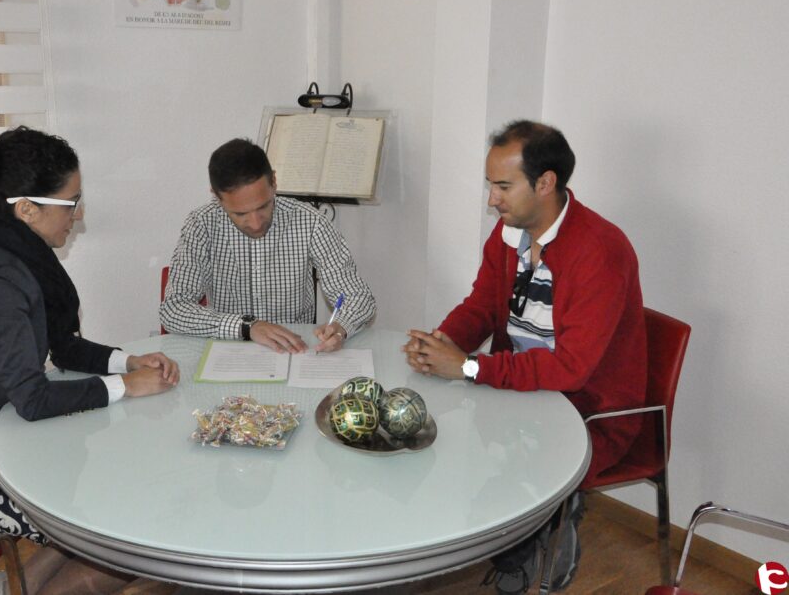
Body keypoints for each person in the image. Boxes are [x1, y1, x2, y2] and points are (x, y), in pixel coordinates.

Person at [0, 126, 180, 595]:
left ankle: (9, 588)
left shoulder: (17, 253)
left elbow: (62, 346)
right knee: (130, 534)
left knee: (105, 503)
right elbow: (31, 397)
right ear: (26, 208)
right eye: (71, 203)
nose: (79, 213)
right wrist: (126, 388)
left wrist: (125, 362)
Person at [403, 120, 646, 594]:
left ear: (545, 183)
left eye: (502, 186)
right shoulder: (509, 233)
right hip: (525, 392)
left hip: (589, 409)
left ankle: (544, 528)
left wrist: (472, 367)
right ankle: (533, 526)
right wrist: (443, 342)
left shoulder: (599, 249)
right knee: (434, 430)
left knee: (501, 483)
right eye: (490, 185)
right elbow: (480, 305)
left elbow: (573, 369)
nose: (492, 198)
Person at [160, 138, 376, 353]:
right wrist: (247, 327)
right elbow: (173, 309)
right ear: (216, 197)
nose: (255, 223)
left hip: (294, 351)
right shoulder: (202, 225)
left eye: (263, 206)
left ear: (274, 182)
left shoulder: (309, 222)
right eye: (240, 213)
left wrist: (340, 328)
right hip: (228, 352)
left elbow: (359, 298)